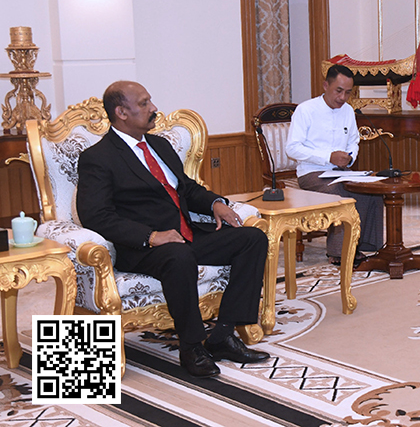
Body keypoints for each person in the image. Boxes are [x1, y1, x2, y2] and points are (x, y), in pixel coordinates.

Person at [76, 81, 270, 378]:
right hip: (142, 248)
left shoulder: (160, 145)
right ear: (121, 112)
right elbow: (96, 216)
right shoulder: (98, 158)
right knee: (179, 257)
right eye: (144, 103)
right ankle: (191, 346)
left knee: (252, 238)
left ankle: (224, 334)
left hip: (184, 235)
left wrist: (215, 203)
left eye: (150, 101)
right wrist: (150, 237)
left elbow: (187, 189)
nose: (153, 108)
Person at [285, 64, 384, 265]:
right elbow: (292, 148)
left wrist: (350, 156)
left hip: (342, 171)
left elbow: (353, 141)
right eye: (338, 91)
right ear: (325, 86)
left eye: (348, 92)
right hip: (312, 173)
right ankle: (339, 253)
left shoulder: (348, 111)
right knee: (341, 192)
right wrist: (327, 157)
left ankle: (363, 245)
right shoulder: (306, 110)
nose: (342, 97)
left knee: (372, 190)